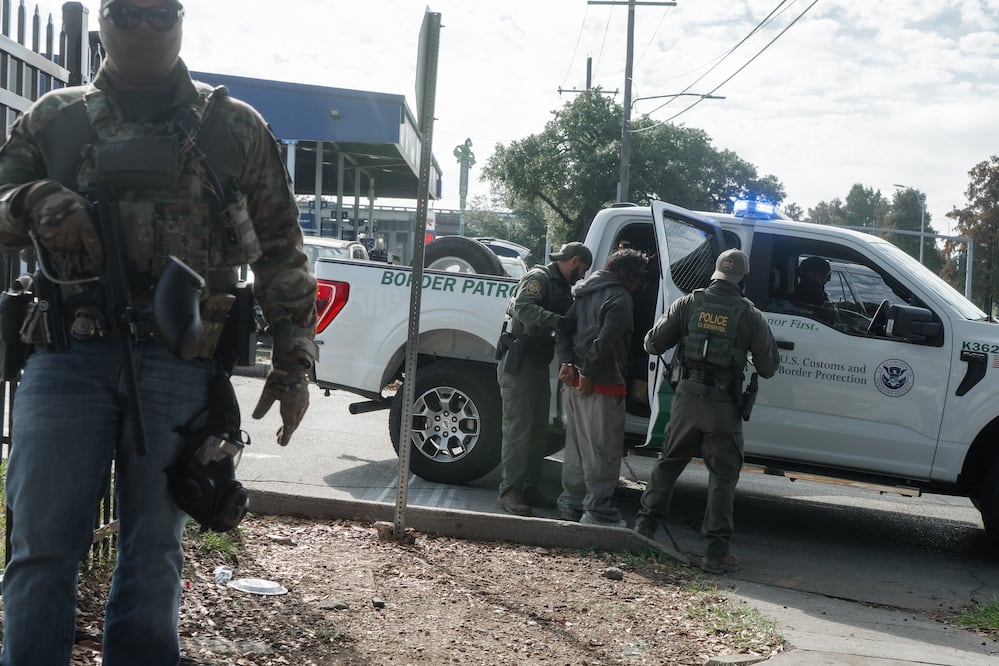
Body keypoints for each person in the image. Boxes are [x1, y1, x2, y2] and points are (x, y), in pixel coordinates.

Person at [0, 1, 317, 663]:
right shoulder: (55, 119)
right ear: (102, 25)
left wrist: (295, 354)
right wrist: (32, 200)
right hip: (68, 354)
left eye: (158, 12)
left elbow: (282, 248)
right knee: (41, 549)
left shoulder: (231, 127)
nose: (143, 27)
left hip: (182, 361)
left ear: (180, 20)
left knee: (154, 553)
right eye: (128, 13)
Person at [633, 249, 779, 573]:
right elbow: (769, 367)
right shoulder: (750, 315)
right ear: (742, 277)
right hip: (722, 406)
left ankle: (644, 530)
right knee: (723, 478)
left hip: (685, 400)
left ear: (716, 272)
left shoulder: (688, 303)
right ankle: (715, 552)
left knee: (669, 464)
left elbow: (652, 344)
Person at [497, 241, 591, 516]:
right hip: (519, 363)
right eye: (583, 268)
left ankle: (528, 487)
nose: (583, 275)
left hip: (537, 363)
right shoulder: (538, 278)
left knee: (537, 429)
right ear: (574, 261)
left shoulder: (562, 286)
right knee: (519, 429)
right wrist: (557, 320)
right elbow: (523, 309)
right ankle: (509, 490)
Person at [555, 248, 648, 526]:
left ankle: (571, 503)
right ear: (626, 274)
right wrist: (588, 373)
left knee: (577, 447)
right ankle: (598, 513)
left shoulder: (583, 291)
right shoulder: (619, 298)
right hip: (603, 384)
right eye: (639, 276)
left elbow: (563, 329)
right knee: (604, 451)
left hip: (574, 382)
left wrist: (567, 363)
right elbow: (605, 342)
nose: (641, 283)